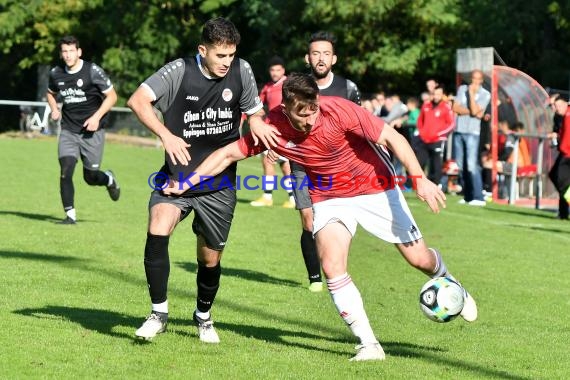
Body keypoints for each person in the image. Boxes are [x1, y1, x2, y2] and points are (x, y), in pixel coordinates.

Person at [165, 73, 478, 361]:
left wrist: (419, 178)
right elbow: (227, 154)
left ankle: (451, 282)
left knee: (419, 259)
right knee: (331, 267)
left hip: (375, 188)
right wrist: (186, 183)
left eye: (313, 109)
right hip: (329, 197)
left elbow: (392, 139)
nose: (311, 117)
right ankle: (369, 345)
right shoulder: (272, 128)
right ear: (285, 109)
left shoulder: (339, 110)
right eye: (302, 113)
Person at [127, 17, 277, 342]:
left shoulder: (242, 71)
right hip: (175, 179)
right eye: (220, 55)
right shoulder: (178, 71)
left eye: (231, 55)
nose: (227, 62)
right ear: (203, 49)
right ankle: (158, 313)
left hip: (218, 185)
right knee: (158, 225)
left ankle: (203, 316)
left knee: (209, 259)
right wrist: (166, 135)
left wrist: (260, 123)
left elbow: (254, 112)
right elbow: (137, 101)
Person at [291, 31, 361, 292]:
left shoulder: (348, 88)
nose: (321, 58)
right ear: (307, 58)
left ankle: (336, 269)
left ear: (334, 59)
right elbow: (285, 121)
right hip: (302, 164)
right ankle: (314, 279)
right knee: (308, 220)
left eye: (326, 54)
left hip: (338, 167)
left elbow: (361, 126)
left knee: (336, 222)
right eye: (316, 53)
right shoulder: (296, 86)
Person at [46, 35, 120, 225]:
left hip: (92, 132)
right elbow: (50, 92)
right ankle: (70, 215)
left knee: (91, 177)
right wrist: (54, 109)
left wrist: (96, 117)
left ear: (79, 52)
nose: (68, 55)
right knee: (66, 170)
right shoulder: (56, 73)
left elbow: (112, 97)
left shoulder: (92, 71)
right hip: (69, 130)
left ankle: (109, 179)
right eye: (65, 51)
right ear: (61, 54)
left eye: (72, 51)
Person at [250, 56, 295, 208]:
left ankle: (268, 197)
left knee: (269, 161)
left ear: (283, 70)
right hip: (271, 131)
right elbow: (257, 104)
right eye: (272, 70)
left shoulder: (289, 85)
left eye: (278, 70)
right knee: (284, 165)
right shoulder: (268, 87)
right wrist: (246, 116)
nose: (275, 73)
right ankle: (293, 198)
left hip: (283, 132)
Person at [452, 70, 491, 206]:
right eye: (472, 79)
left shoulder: (485, 94)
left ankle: (478, 197)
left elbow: (475, 111)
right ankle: (468, 196)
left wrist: (471, 94)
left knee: (471, 165)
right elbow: (455, 108)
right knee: (461, 165)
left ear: (481, 80)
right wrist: (472, 112)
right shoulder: (461, 88)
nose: (474, 82)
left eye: (477, 79)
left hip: (472, 133)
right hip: (459, 130)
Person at [415, 85, 455, 186]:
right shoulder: (426, 105)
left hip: (437, 140)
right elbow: (420, 121)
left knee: (436, 163)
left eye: (438, 94)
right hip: (424, 139)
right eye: (434, 94)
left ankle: (436, 185)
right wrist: (422, 132)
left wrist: (439, 134)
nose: (436, 96)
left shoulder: (446, 107)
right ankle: (418, 184)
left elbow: (451, 124)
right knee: (420, 161)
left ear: (442, 95)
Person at [548, 96, 570, 219]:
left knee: (562, 181)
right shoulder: (561, 116)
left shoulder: (568, 115)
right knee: (557, 178)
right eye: (555, 106)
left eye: (558, 106)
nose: (556, 109)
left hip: (567, 153)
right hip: (565, 152)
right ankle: (563, 212)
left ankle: (564, 211)